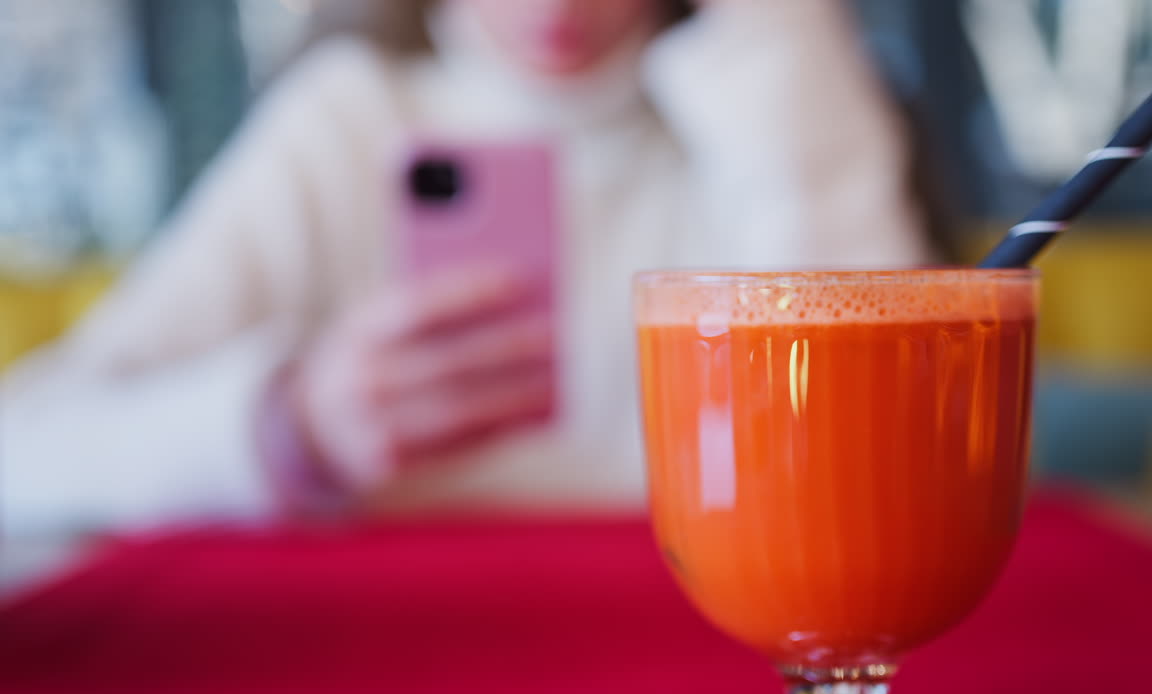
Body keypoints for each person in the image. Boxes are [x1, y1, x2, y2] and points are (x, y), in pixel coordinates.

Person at [1, 0, 928, 537]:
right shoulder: (347, 125)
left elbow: (891, 475)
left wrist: (784, 43)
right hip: (380, 664)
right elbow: (26, 444)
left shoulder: (763, 112)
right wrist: (292, 427)